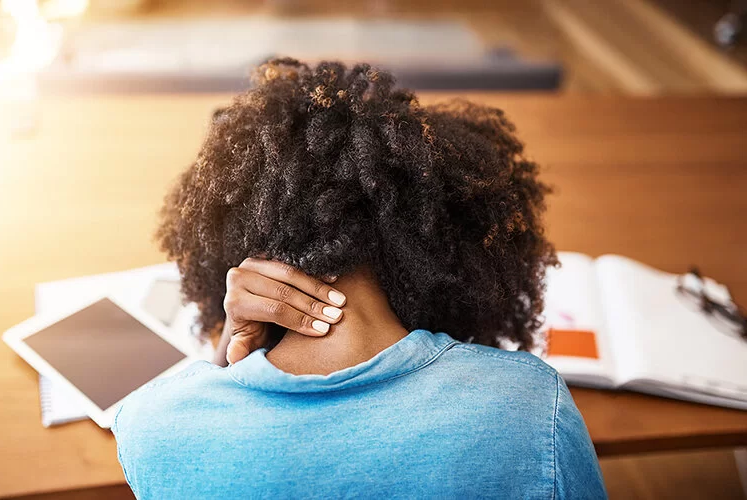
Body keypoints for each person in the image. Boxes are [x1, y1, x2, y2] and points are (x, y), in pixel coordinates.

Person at [113, 58, 606, 499]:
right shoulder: (531, 411)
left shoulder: (151, 427)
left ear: (237, 237)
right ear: (440, 242)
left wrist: (227, 345)